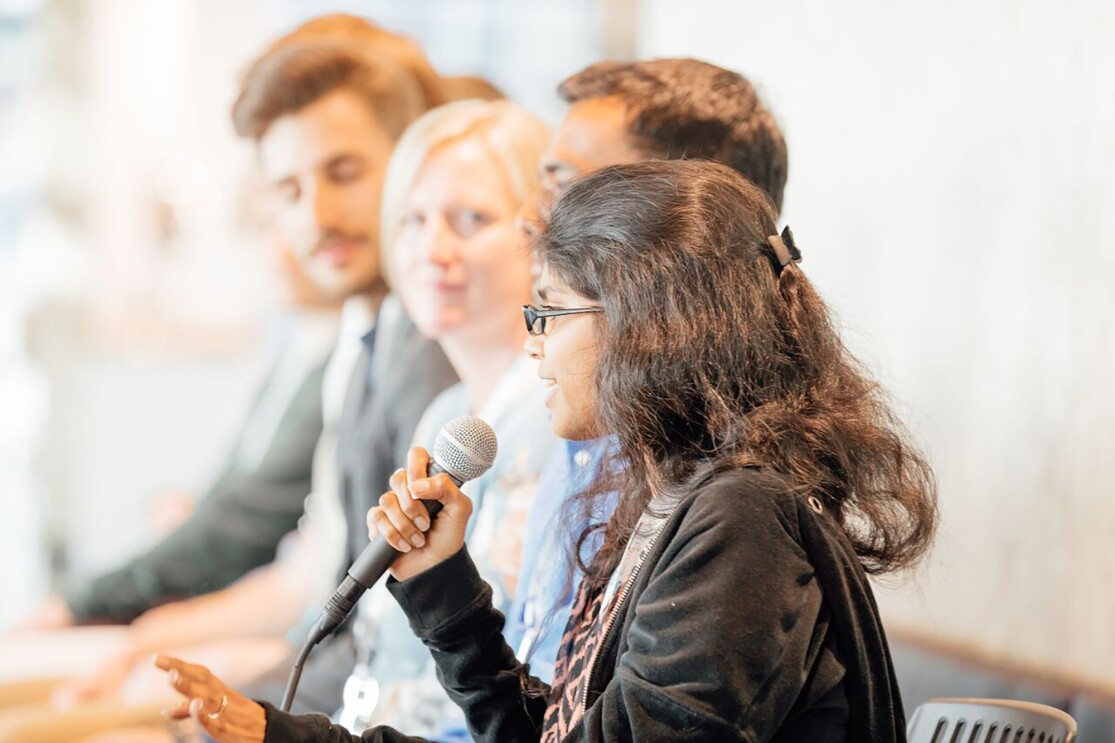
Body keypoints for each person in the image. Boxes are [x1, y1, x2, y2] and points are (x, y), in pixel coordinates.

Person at [155, 158, 938, 741]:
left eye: (552, 313)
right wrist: (436, 590)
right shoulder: (678, 497)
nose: (534, 345)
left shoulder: (739, 521)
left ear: (647, 326)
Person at [0, 14, 463, 743]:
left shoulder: (429, 353)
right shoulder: (363, 337)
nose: (313, 215)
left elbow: (396, 637)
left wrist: (245, 689)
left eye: (343, 172)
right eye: (286, 189)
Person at [504, 57, 791, 684]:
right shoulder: (628, 443)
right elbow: (560, 716)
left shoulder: (736, 512)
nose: (531, 215)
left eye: (569, 188)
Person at [334, 98, 555, 737]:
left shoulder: (556, 423)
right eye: (413, 219)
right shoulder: (449, 411)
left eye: (470, 219)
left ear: (544, 237)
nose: (432, 248)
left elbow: (528, 671)